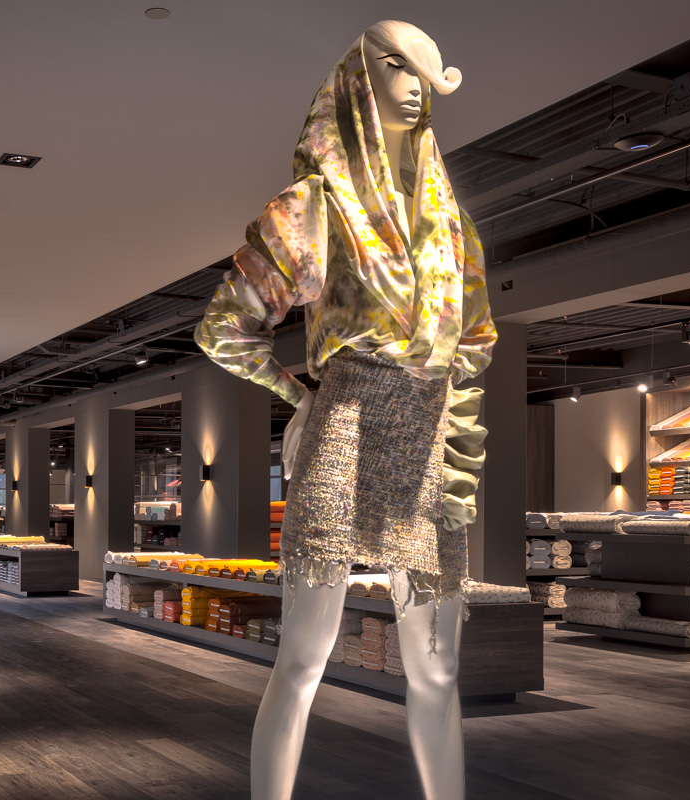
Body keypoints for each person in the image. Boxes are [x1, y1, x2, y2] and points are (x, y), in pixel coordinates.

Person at [195, 20, 494, 800]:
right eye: (395, 66)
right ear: (358, 82)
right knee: (302, 659)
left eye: (424, 72)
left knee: (437, 669)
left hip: (429, 447)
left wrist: (461, 465)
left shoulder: (452, 229)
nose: (413, 86)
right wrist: (300, 395)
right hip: (344, 433)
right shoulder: (314, 209)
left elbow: (474, 349)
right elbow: (222, 327)